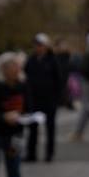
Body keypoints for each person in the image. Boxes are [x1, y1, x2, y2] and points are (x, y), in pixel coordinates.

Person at [24, 34, 63, 162]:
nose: (38, 48)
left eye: (40, 45)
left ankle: (49, 153)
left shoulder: (53, 60)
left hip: (49, 99)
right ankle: (31, 154)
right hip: (34, 99)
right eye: (36, 45)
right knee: (33, 127)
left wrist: (57, 98)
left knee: (50, 128)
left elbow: (59, 80)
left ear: (46, 46)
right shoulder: (31, 60)